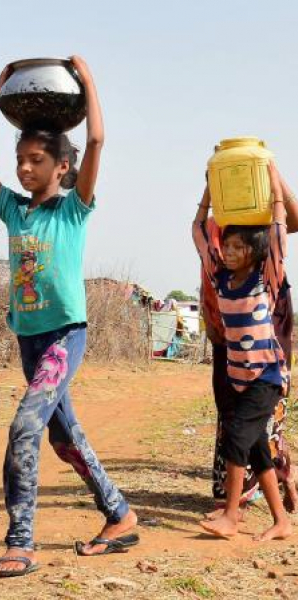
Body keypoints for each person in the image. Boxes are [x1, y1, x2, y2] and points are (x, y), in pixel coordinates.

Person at [0, 57, 139, 577]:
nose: (25, 169)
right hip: (30, 338)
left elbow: (98, 143)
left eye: (37, 160)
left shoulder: (73, 208)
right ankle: (119, 515)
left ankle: (20, 540)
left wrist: (90, 83)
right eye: (19, 160)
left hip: (64, 336)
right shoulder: (16, 210)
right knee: (64, 438)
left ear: (61, 167)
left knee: (25, 426)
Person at [194, 164, 292, 541]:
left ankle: (231, 516)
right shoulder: (220, 277)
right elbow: (199, 231)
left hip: (265, 377)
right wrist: (209, 194)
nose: (230, 252)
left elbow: (280, 233)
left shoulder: (264, 280)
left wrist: (275, 190)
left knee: (236, 437)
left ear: (255, 252)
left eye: (238, 247)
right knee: (255, 450)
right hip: (238, 376)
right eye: (227, 246)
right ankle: (281, 519)